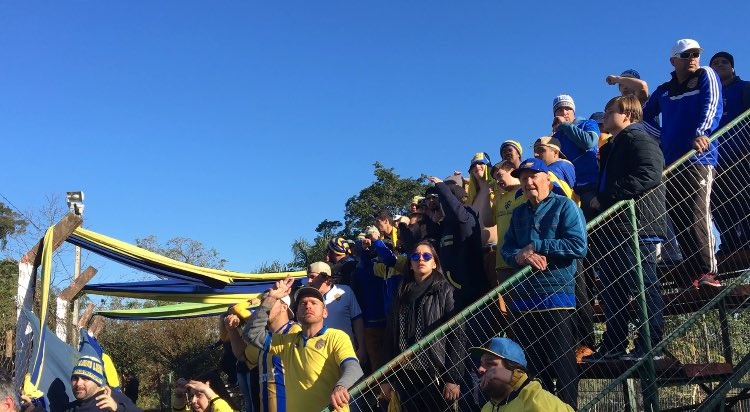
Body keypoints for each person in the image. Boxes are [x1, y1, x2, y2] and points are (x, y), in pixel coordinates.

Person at [583, 95, 666, 362]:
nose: (605, 116)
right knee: (614, 290)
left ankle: (650, 346)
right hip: (614, 228)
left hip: (637, 226)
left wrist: (606, 198)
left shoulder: (638, 138)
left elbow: (650, 173)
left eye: (610, 111)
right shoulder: (612, 146)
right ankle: (615, 345)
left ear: (627, 115)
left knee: (641, 286)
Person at [501, 158, 587, 408]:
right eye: (523, 177)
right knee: (534, 375)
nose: (528, 182)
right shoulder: (518, 212)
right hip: (523, 301)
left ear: (547, 178)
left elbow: (579, 246)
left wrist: (538, 246)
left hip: (556, 299)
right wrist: (519, 255)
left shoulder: (565, 206)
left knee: (563, 371)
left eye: (533, 176)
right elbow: (507, 249)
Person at [643, 38, 723, 288]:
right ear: (673, 60)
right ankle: (691, 273)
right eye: (687, 55)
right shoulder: (664, 89)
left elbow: (713, 104)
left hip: (699, 157)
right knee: (678, 217)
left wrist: (703, 132)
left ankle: (707, 270)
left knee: (698, 212)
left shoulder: (705, 75)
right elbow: (645, 114)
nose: (693, 58)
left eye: (696, 54)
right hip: (672, 162)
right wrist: (661, 136)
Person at [243, 278, 364, 412]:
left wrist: (341, 385)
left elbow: (353, 367)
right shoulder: (286, 341)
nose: (308, 306)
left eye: (314, 303)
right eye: (303, 303)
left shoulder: (336, 337)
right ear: (297, 312)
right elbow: (251, 334)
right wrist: (270, 299)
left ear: (325, 312)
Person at [381, 242, 465, 410]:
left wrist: (453, 378)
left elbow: (457, 335)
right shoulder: (401, 293)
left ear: (434, 263)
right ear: (410, 264)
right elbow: (390, 336)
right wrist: (386, 378)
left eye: (427, 256)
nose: (421, 259)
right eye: (415, 256)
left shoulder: (445, 290)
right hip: (405, 373)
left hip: (435, 373)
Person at [425, 176, 489, 309]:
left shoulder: (466, 218)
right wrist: (435, 223)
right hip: (453, 293)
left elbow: (457, 212)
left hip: (472, 291)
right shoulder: (445, 226)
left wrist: (442, 187)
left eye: (441, 199)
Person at [710, 51, 750, 254]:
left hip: (741, 153)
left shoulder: (744, 88)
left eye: (724, 62)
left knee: (744, 199)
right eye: (715, 63)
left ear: (733, 67)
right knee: (718, 203)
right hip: (715, 158)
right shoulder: (707, 95)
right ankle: (729, 243)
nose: (720, 65)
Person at [471, 337, 574, 411]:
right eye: (481, 364)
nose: (480, 369)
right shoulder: (487, 408)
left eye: (490, 363)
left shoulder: (537, 402)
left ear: (514, 369)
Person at [305, 261, 368, 364]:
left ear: (326, 278)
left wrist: (361, 347)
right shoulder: (306, 299)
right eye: (308, 277)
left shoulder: (345, 291)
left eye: (312, 276)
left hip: (346, 353)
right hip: (317, 356)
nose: (309, 280)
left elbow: (357, 320)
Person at [551, 94, 600, 220]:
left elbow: (589, 142)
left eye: (568, 109)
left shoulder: (588, 124)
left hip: (590, 185)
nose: (564, 112)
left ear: (574, 111)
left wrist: (566, 126)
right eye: (560, 110)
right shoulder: (555, 138)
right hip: (568, 190)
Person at [64, 355, 141, 412]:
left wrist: (117, 408)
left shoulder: (112, 399)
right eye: (75, 378)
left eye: (86, 378)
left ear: (97, 381)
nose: (78, 383)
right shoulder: (70, 408)